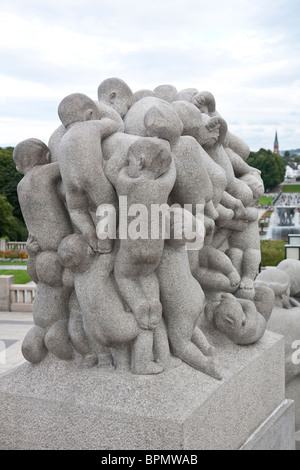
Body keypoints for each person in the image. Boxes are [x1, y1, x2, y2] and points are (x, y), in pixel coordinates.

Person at [114, 137, 176, 374]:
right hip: (155, 253)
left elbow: (112, 170)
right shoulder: (163, 186)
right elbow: (172, 171)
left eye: (131, 160)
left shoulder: (126, 184)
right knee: (148, 278)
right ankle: (153, 304)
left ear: (138, 162)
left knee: (124, 277)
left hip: (131, 250)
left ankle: (139, 304)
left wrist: (123, 150)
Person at [157, 208, 222, 380]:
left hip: (181, 304)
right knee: (190, 328)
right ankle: (208, 348)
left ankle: (205, 364)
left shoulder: (161, 250)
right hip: (195, 294)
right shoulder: (181, 248)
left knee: (180, 342)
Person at [57, 93, 119, 253]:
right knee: (108, 205)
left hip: (70, 183)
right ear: (90, 114)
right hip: (91, 177)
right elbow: (114, 124)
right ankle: (105, 243)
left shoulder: (63, 140)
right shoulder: (92, 126)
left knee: (77, 210)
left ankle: (91, 238)